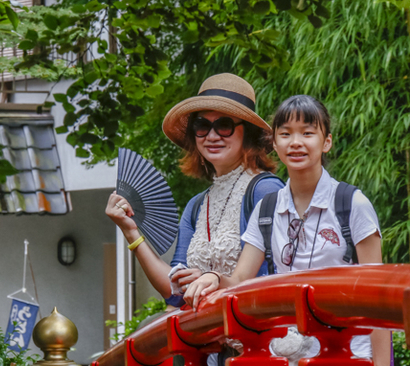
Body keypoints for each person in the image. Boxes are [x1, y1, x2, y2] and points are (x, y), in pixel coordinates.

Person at [185, 95, 393, 366]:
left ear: (326, 142)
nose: (296, 142)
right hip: (289, 365)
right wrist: (215, 277)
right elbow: (241, 280)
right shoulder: (267, 210)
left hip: (353, 362)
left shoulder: (351, 204)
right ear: (274, 143)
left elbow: (377, 297)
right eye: (285, 134)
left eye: (307, 133)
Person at [106, 73, 283, 309]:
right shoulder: (197, 205)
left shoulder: (266, 190)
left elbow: (281, 275)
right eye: (202, 126)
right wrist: (131, 232)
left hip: (255, 327)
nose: (212, 136)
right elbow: (176, 293)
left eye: (224, 125)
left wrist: (214, 279)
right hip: (209, 331)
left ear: (248, 132)